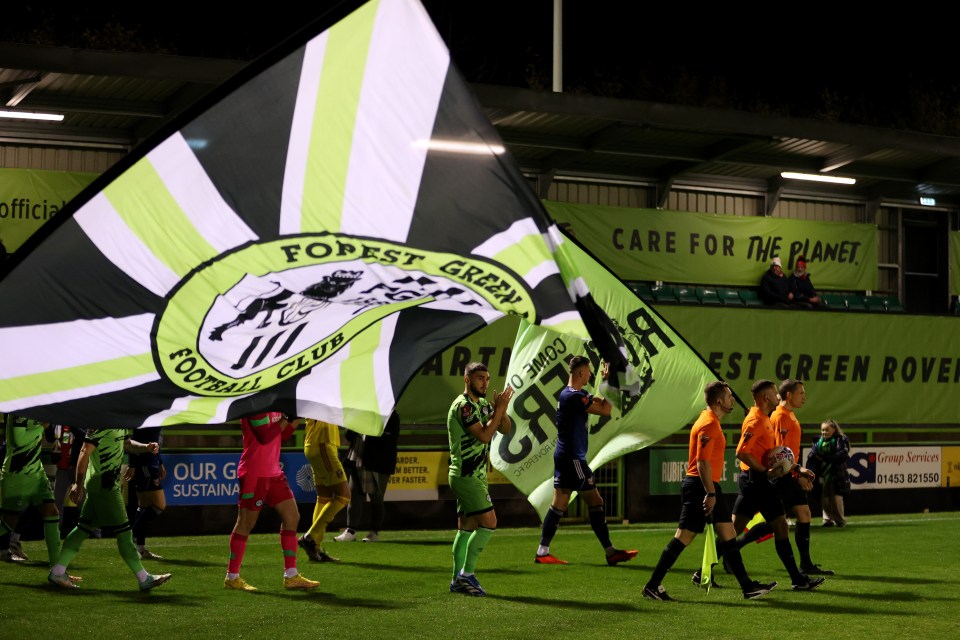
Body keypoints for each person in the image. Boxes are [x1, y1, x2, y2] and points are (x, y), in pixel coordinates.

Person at [643, 381, 777, 601]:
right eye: (729, 395)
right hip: (701, 486)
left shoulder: (711, 421)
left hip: (704, 485)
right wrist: (710, 493)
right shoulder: (709, 424)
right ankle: (652, 584)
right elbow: (703, 462)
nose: (732, 398)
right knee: (683, 538)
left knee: (727, 535)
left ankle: (747, 587)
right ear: (718, 401)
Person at [534, 357, 637, 567]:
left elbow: (599, 402)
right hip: (573, 458)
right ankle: (610, 552)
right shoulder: (572, 396)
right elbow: (606, 410)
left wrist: (606, 382)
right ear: (581, 373)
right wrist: (608, 383)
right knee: (596, 501)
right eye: (589, 372)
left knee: (559, 503)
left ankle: (543, 551)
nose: (591, 375)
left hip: (566, 455)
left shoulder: (573, 395)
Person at [727, 379, 825, 591]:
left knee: (774, 526)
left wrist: (797, 468)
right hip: (755, 480)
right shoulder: (757, 420)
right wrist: (766, 472)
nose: (777, 396)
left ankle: (798, 579)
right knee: (742, 529)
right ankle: (798, 578)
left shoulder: (765, 418)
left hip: (761, 480)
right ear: (766, 397)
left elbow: (779, 454)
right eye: (774, 393)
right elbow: (741, 452)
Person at [47, 428, 172, 591]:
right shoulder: (101, 424)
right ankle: (144, 578)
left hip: (104, 484)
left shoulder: (118, 424)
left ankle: (58, 571)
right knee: (125, 532)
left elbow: (127, 443)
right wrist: (78, 483)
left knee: (83, 528)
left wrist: (146, 447)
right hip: (103, 485)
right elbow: (85, 451)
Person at [225, 411, 318, 591]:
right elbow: (265, 436)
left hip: (274, 473)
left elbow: (282, 435)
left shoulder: (275, 407)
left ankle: (291, 575)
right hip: (254, 472)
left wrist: (295, 418)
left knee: (292, 517)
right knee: (245, 523)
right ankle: (232, 577)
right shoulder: (255, 406)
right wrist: (286, 418)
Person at [447, 362, 512, 597]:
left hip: (473, 475)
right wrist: (498, 411)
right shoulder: (463, 406)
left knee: (466, 528)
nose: (485, 382)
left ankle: (457, 579)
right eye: (479, 378)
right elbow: (485, 436)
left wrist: (500, 410)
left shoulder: (482, 405)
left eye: (487, 378)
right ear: (467, 380)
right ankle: (467, 575)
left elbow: (505, 428)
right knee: (489, 522)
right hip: (466, 475)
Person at [758, 380, 834, 574]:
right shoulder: (780, 417)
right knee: (774, 524)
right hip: (782, 477)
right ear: (789, 395)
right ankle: (729, 551)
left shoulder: (789, 416)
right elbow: (780, 455)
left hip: (790, 474)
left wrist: (797, 472)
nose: (804, 397)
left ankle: (805, 564)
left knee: (804, 514)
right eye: (801, 393)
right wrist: (797, 473)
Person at [0, 414, 61, 567]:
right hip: (18, 472)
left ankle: (58, 570)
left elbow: (50, 435)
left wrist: (49, 426)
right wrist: (42, 427)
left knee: (52, 512)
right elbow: (19, 439)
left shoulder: (38, 409)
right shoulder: (20, 408)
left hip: (36, 471)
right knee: (9, 522)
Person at [334, 411, 400, 543]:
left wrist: (369, 429)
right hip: (358, 458)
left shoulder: (391, 414)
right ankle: (350, 531)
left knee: (377, 497)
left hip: (378, 461)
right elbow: (348, 435)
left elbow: (390, 438)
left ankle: (374, 532)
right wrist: (355, 423)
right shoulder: (361, 410)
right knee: (354, 495)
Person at [298, 418, 349, 562]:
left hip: (318, 444)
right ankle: (309, 537)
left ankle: (315, 548)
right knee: (344, 496)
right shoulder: (322, 396)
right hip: (322, 445)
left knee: (324, 498)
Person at [125, 425, 167, 560]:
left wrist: (160, 464)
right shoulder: (147, 420)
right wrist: (132, 465)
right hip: (145, 466)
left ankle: (140, 549)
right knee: (158, 507)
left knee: (144, 507)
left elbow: (156, 444)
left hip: (151, 464)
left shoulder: (157, 420)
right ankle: (130, 542)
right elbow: (132, 441)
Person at [810, 419, 850, 527]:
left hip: (837, 474)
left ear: (834, 430)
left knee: (837, 498)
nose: (824, 432)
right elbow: (812, 456)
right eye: (822, 430)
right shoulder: (817, 442)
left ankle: (840, 520)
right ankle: (827, 520)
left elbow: (842, 455)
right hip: (822, 473)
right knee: (825, 498)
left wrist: (825, 458)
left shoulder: (840, 440)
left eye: (827, 430)